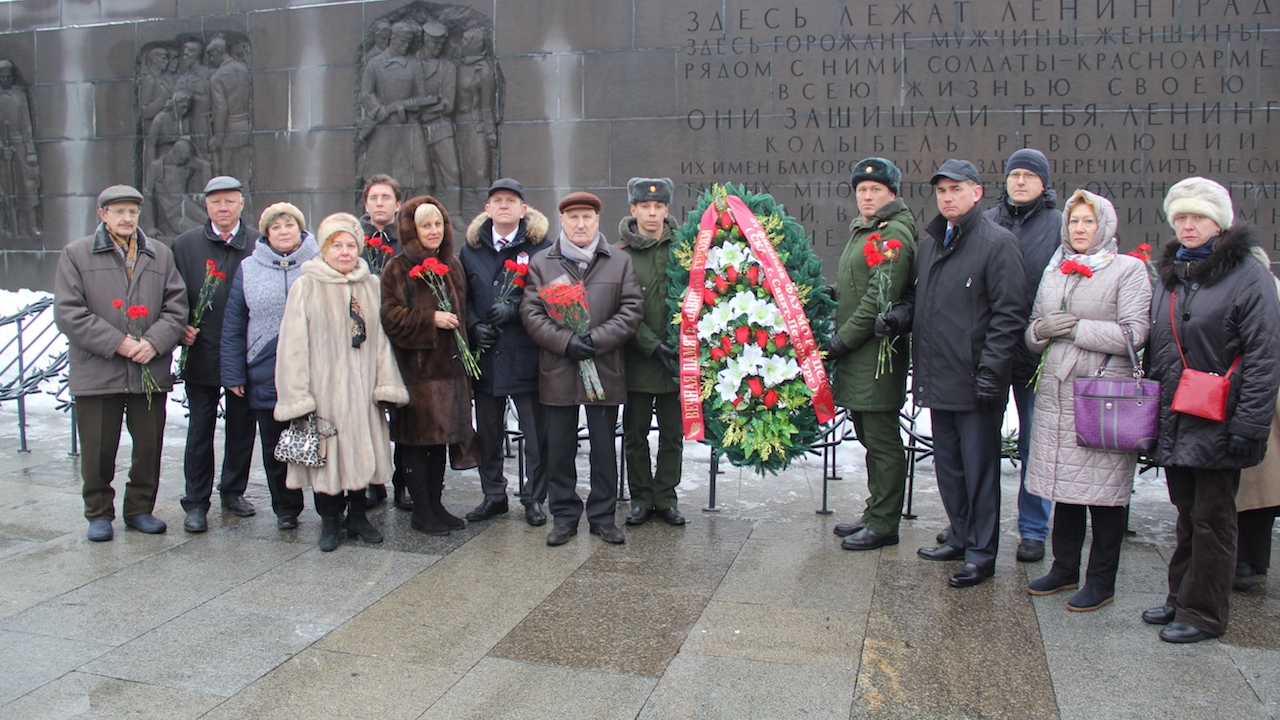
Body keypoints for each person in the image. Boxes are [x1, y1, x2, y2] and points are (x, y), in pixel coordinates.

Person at [1141, 177, 1280, 642]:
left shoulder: (1248, 274)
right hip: (1179, 415)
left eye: (1197, 216)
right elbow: (1161, 350)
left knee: (1215, 518)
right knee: (1186, 511)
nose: (1188, 225)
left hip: (1222, 417)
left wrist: (1250, 424)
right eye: (1180, 216)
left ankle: (1204, 614)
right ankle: (1179, 597)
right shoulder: (1174, 272)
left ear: (1219, 222)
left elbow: (1263, 355)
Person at [878, 159, 1027, 588]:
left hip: (977, 381)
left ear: (977, 193)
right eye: (942, 190)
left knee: (979, 472)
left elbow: (1008, 316)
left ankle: (982, 553)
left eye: (956, 189)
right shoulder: (930, 244)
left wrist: (990, 373)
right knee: (949, 466)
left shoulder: (997, 243)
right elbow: (918, 299)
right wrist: (898, 318)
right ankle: (960, 535)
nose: (947, 197)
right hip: (938, 376)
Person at [1022, 190, 1153, 611]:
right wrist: (1042, 331)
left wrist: (1076, 329)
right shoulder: (1055, 269)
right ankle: (1063, 568)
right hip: (1058, 395)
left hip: (1103, 398)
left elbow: (1135, 334)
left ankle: (1101, 581)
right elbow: (1033, 332)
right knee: (1066, 487)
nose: (1080, 229)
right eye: (1074, 221)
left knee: (1106, 495)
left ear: (1105, 226)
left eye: (1088, 221)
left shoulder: (1128, 270)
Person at [53, 185, 187, 541]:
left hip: (148, 370)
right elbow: (69, 313)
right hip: (98, 370)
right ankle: (98, 513)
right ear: (102, 214)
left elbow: (177, 307)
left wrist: (153, 342)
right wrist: (119, 343)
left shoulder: (159, 254)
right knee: (98, 448)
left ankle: (140, 509)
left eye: (132, 212)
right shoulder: (76, 254)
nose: (127, 218)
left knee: (148, 446)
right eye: (119, 211)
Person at [274, 212, 409, 552]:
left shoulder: (371, 285)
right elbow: (293, 344)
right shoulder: (307, 286)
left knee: (361, 453)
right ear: (324, 249)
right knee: (328, 457)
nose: (345, 252)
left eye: (351, 245)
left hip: (363, 392)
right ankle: (330, 522)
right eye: (337, 246)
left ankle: (359, 516)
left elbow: (380, 342)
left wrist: (385, 384)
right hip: (324, 392)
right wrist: (298, 395)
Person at [521, 191, 643, 546]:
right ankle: (564, 516)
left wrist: (596, 339)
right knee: (559, 448)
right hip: (558, 369)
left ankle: (603, 516)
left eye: (587, 217)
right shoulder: (543, 262)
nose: (580, 223)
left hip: (604, 367)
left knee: (604, 448)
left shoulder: (619, 261)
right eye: (573, 217)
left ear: (597, 221)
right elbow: (531, 313)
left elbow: (632, 309)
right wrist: (566, 342)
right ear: (562, 221)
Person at [827, 158, 917, 550]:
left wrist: (840, 342)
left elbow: (877, 300)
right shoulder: (866, 230)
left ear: (891, 193)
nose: (867, 195)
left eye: (875, 189)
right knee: (869, 435)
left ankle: (884, 523)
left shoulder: (892, 233)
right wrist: (826, 294)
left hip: (875, 353)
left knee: (881, 440)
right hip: (860, 355)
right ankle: (875, 511)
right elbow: (855, 285)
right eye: (862, 190)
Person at [983, 148, 1062, 563]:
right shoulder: (988, 221)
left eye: (1029, 176)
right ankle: (978, 523)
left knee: (1035, 444)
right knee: (981, 444)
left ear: (1043, 183)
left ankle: (1033, 528)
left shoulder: (1059, 226)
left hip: (1036, 354)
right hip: (992, 353)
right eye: (1014, 174)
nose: (1020, 181)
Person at [381, 196, 476, 535]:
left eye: (438, 223)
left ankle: (436, 504)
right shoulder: (398, 267)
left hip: (450, 372)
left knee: (440, 442)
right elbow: (390, 317)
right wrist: (429, 318)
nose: (434, 231)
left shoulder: (452, 264)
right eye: (425, 225)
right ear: (411, 229)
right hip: (418, 375)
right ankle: (421, 510)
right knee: (418, 443)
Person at [221, 202, 318, 530]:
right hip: (265, 366)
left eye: (289, 225)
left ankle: (329, 506)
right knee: (276, 444)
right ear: (266, 233)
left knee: (320, 438)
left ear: (301, 229)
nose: (283, 231)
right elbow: (235, 322)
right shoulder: (249, 268)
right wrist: (234, 371)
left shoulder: (319, 263)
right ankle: (286, 508)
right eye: (275, 227)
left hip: (313, 366)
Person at [461, 178, 552, 525]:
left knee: (535, 435)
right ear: (487, 209)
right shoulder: (471, 249)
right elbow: (463, 295)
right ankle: (493, 495)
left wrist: (515, 309)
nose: (504, 206)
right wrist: (472, 326)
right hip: (486, 356)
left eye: (511, 200)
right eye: (497, 200)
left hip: (525, 354)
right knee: (488, 433)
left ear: (523, 210)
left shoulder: (542, 246)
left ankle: (534, 497)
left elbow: (551, 293)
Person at [172, 175, 258, 532]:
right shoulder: (185, 245)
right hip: (202, 351)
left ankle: (233, 491)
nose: (223, 208)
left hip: (244, 353)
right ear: (205, 206)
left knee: (241, 428)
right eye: (215, 202)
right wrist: (180, 326)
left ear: (241, 203)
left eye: (229, 201)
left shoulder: (257, 243)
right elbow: (171, 294)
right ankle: (196, 501)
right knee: (200, 429)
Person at [617, 177, 686, 528]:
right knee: (636, 433)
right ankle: (642, 498)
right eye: (645, 206)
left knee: (673, 434)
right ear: (633, 209)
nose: (652, 213)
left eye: (659, 207)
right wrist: (649, 343)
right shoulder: (621, 256)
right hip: (639, 359)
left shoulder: (685, 250)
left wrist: (678, 342)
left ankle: (667, 497)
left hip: (677, 359)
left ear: (667, 210)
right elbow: (619, 307)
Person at [358, 173, 409, 510]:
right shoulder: (352, 240)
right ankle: (370, 481)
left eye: (386, 198)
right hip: (361, 341)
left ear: (397, 204)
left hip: (401, 338)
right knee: (364, 413)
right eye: (374, 198)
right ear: (366, 204)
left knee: (404, 413)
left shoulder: (407, 240)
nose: (380, 203)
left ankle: (404, 482)